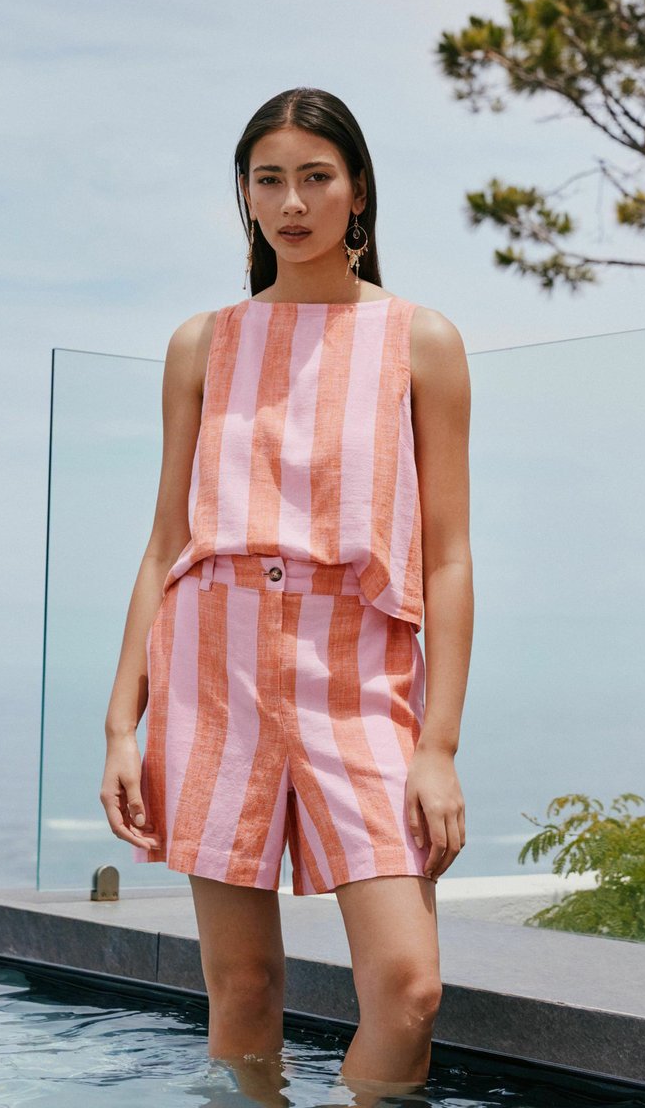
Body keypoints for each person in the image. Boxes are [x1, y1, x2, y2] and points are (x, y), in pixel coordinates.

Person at [100, 86, 473, 1104]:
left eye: (316, 177)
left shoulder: (420, 340)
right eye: (269, 180)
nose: (293, 203)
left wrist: (437, 744)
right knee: (243, 987)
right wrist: (122, 726)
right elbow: (167, 541)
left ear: (359, 192)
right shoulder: (201, 343)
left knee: (408, 990)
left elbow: (447, 558)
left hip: (359, 676)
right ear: (245, 196)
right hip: (210, 670)